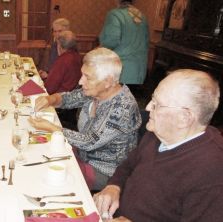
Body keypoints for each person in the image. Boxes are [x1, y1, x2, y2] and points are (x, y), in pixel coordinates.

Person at [93, 69, 223, 222]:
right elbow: (127, 166)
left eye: (157, 105)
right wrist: (114, 187)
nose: (148, 107)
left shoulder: (213, 171)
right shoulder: (158, 133)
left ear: (184, 118)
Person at [29, 47, 141, 190]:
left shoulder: (122, 107)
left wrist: (53, 128)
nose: (81, 81)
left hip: (105, 171)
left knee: (48, 176)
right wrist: (50, 99)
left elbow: (89, 141)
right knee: (39, 154)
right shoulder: (97, 91)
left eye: (87, 77)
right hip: (83, 154)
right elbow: (70, 98)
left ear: (108, 81)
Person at [99, 0, 149, 85]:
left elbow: (110, 41)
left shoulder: (115, 14)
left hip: (121, 69)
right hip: (139, 70)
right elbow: (146, 42)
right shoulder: (142, 17)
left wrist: (100, 48)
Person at [41, 30, 82, 95]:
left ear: (60, 45)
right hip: (72, 94)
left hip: (60, 98)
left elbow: (49, 88)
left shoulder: (63, 60)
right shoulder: (77, 56)